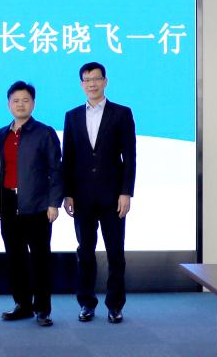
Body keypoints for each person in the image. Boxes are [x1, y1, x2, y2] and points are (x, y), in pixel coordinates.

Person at [62, 62, 136, 324]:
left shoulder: (122, 113)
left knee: (115, 252)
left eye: (96, 79)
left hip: (113, 196)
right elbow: (68, 158)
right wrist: (67, 193)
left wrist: (126, 192)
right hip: (82, 197)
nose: (92, 84)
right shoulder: (72, 116)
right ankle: (86, 303)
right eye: (87, 80)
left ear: (105, 81)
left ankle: (115, 305)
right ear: (81, 84)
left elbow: (130, 156)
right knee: (85, 251)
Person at [0, 81, 63, 327]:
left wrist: (54, 203)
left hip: (38, 205)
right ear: (8, 105)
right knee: (15, 259)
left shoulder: (44, 133)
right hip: (9, 204)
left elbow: (56, 170)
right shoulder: (1, 134)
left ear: (33, 104)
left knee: (40, 260)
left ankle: (43, 309)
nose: (20, 105)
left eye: (25, 100)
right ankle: (22, 305)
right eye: (15, 101)